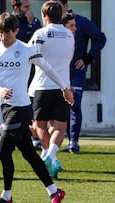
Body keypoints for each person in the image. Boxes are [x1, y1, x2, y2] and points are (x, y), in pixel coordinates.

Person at [0, 11, 72, 203]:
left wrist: (64, 87)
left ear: (16, 31)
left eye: (7, 32)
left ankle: (6, 196)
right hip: (5, 108)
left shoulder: (26, 50)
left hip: (22, 108)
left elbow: (47, 68)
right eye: (1, 32)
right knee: (30, 154)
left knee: (3, 152)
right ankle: (54, 191)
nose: (4, 37)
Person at [27, 1, 75, 179]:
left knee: (40, 126)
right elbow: (67, 59)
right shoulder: (69, 35)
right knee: (60, 128)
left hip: (41, 86)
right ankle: (51, 156)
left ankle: (48, 157)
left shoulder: (40, 33)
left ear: (44, 16)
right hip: (62, 86)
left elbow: (31, 55)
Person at [0, 0, 43, 149]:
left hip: (30, 70)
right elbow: (22, 41)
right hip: (14, 83)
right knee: (18, 148)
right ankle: (1, 128)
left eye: (30, 6)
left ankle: (0, 128)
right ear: (16, 8)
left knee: (23, 149)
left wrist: (32, 24)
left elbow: (36, 47)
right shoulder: (10, 23)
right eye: (26, 7)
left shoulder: (34, 21)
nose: (29, 10)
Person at [53, 0, 107, 154]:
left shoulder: (81, 21)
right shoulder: (53, 25)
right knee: (59, 105)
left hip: (76, 72)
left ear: (66, 6)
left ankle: (73, 142)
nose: (55, 10)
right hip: (59, 72)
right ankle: (53, 141)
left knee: (73, 103)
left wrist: (88, 57)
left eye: (58, 6)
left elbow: (101, 38)